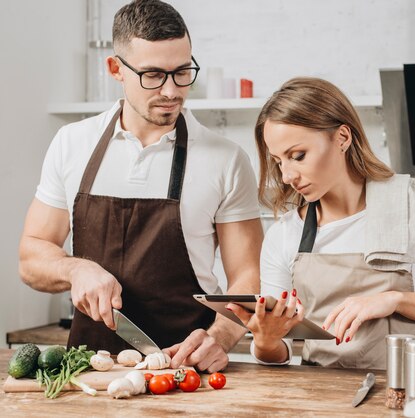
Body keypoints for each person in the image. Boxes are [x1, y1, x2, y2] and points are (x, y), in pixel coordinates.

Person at [18, 0, 263, 373]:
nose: (171, 90)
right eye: (153, 75)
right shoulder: (72, 143)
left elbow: (248, 276)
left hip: (186, 371)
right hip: (86, 372)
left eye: (182, 72)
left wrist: (221, 337)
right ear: (116, 68)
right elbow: (31, 257)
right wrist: (76, 270)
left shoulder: (226, 159)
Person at [228, 77, 415, 369]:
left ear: (342, 138)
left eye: (298, 156)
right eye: (279, 161)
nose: (288, 175)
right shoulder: (284, 234)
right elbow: (278, 355)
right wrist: (266, 341)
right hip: (315, 402)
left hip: (406, 395)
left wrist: (396, 300)